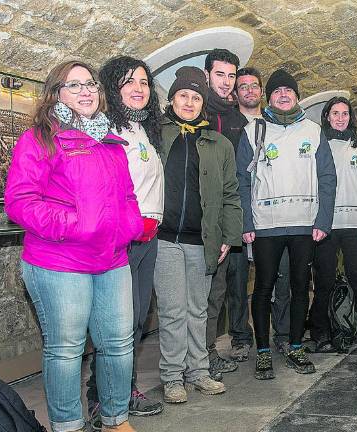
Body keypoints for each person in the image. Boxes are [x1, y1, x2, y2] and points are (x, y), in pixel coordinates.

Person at [4, 60, 142, 432]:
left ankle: (115, 419)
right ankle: (68, 425)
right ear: (56, 94)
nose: (85, 91)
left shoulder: (111, 142)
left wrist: (127, 226)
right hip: (59, 261)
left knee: (118, 344)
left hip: (111, 260)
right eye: (74, 84)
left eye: (90, 84)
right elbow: (20, 201)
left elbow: (127, 195)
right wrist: (73, 225)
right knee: (66, 350)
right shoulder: (40, 138)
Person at [236, 69, 336, 380]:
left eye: (288, 91)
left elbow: (327, 179)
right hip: (266, 224)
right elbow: (242, 180)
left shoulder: (313, 131)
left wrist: (323, 220)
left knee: (298, 287)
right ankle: (263, 351)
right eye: (277, 90)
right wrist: (247, 221)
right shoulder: (254, 130)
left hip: (305, 224)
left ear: (296, 96)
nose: (283, 94)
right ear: (270, 96)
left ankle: (295, 345)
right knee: (264, 288)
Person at [82, 55, 165, 430]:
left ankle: (124, 388)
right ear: (112, 89)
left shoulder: (144, 129)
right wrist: (130, 225)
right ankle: (101, 397)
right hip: (122, 239)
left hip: (148, 239)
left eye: (144, 82)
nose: (138, 89)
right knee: (114, 325)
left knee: (134, 321)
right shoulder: (104, 130)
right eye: (129, 82)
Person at [154, 66, 242, 403]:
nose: (189, 102)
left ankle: (199, 371)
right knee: (173, 311)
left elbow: (232, 195)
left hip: (203, 240)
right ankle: (173, 377)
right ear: (172, 99)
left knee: (199, 310)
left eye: (195, 97)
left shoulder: (218, 143)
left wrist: (228, 236)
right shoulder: (157, 135)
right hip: (164, 240)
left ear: (202, 103)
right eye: (183, 96)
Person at [227, 67, 293, 363]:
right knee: (239, 281)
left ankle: (282, 333)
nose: (250, 91)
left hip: (273, 216)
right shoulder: (228, 125)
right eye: (244, 87)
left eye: (255, 86)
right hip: (240, 213)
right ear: (235, 93)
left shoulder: (277, 122)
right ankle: (241, 337)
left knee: (280, 279)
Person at [309, 96, 357, 353]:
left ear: (351, 117)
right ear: (327, 116)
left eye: (345, 113)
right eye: (335, 113)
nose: (340, 118)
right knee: (324, 280)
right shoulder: (318, 143)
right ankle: (321, 332)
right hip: (326, 224)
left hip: (356, 222)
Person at [201, 48, 245, 381]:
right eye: (220, 74)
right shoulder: (191, 112)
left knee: (215, 295)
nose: (227, 82)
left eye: (231, 76)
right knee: (188, 300)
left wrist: (230, 230)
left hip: (220, 223)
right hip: (189, 223)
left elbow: (234, 180)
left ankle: (207, 354)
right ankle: (190, 360)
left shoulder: (235, 120)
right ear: (207, 75)